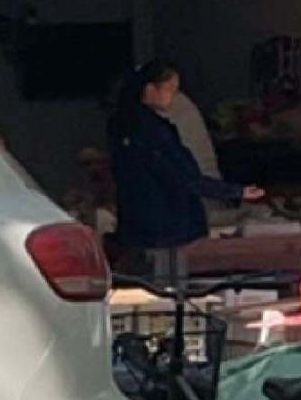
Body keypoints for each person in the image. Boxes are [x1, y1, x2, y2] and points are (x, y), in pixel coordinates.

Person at [109, 60, 259, 287]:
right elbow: (181, 175)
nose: (174, 97)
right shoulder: (154, 132)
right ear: (151, 90)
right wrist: (232, 192)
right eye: (170, 90)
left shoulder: (124, 125)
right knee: (169, 285)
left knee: (150, 281)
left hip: (140, 220)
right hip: (164, 221)